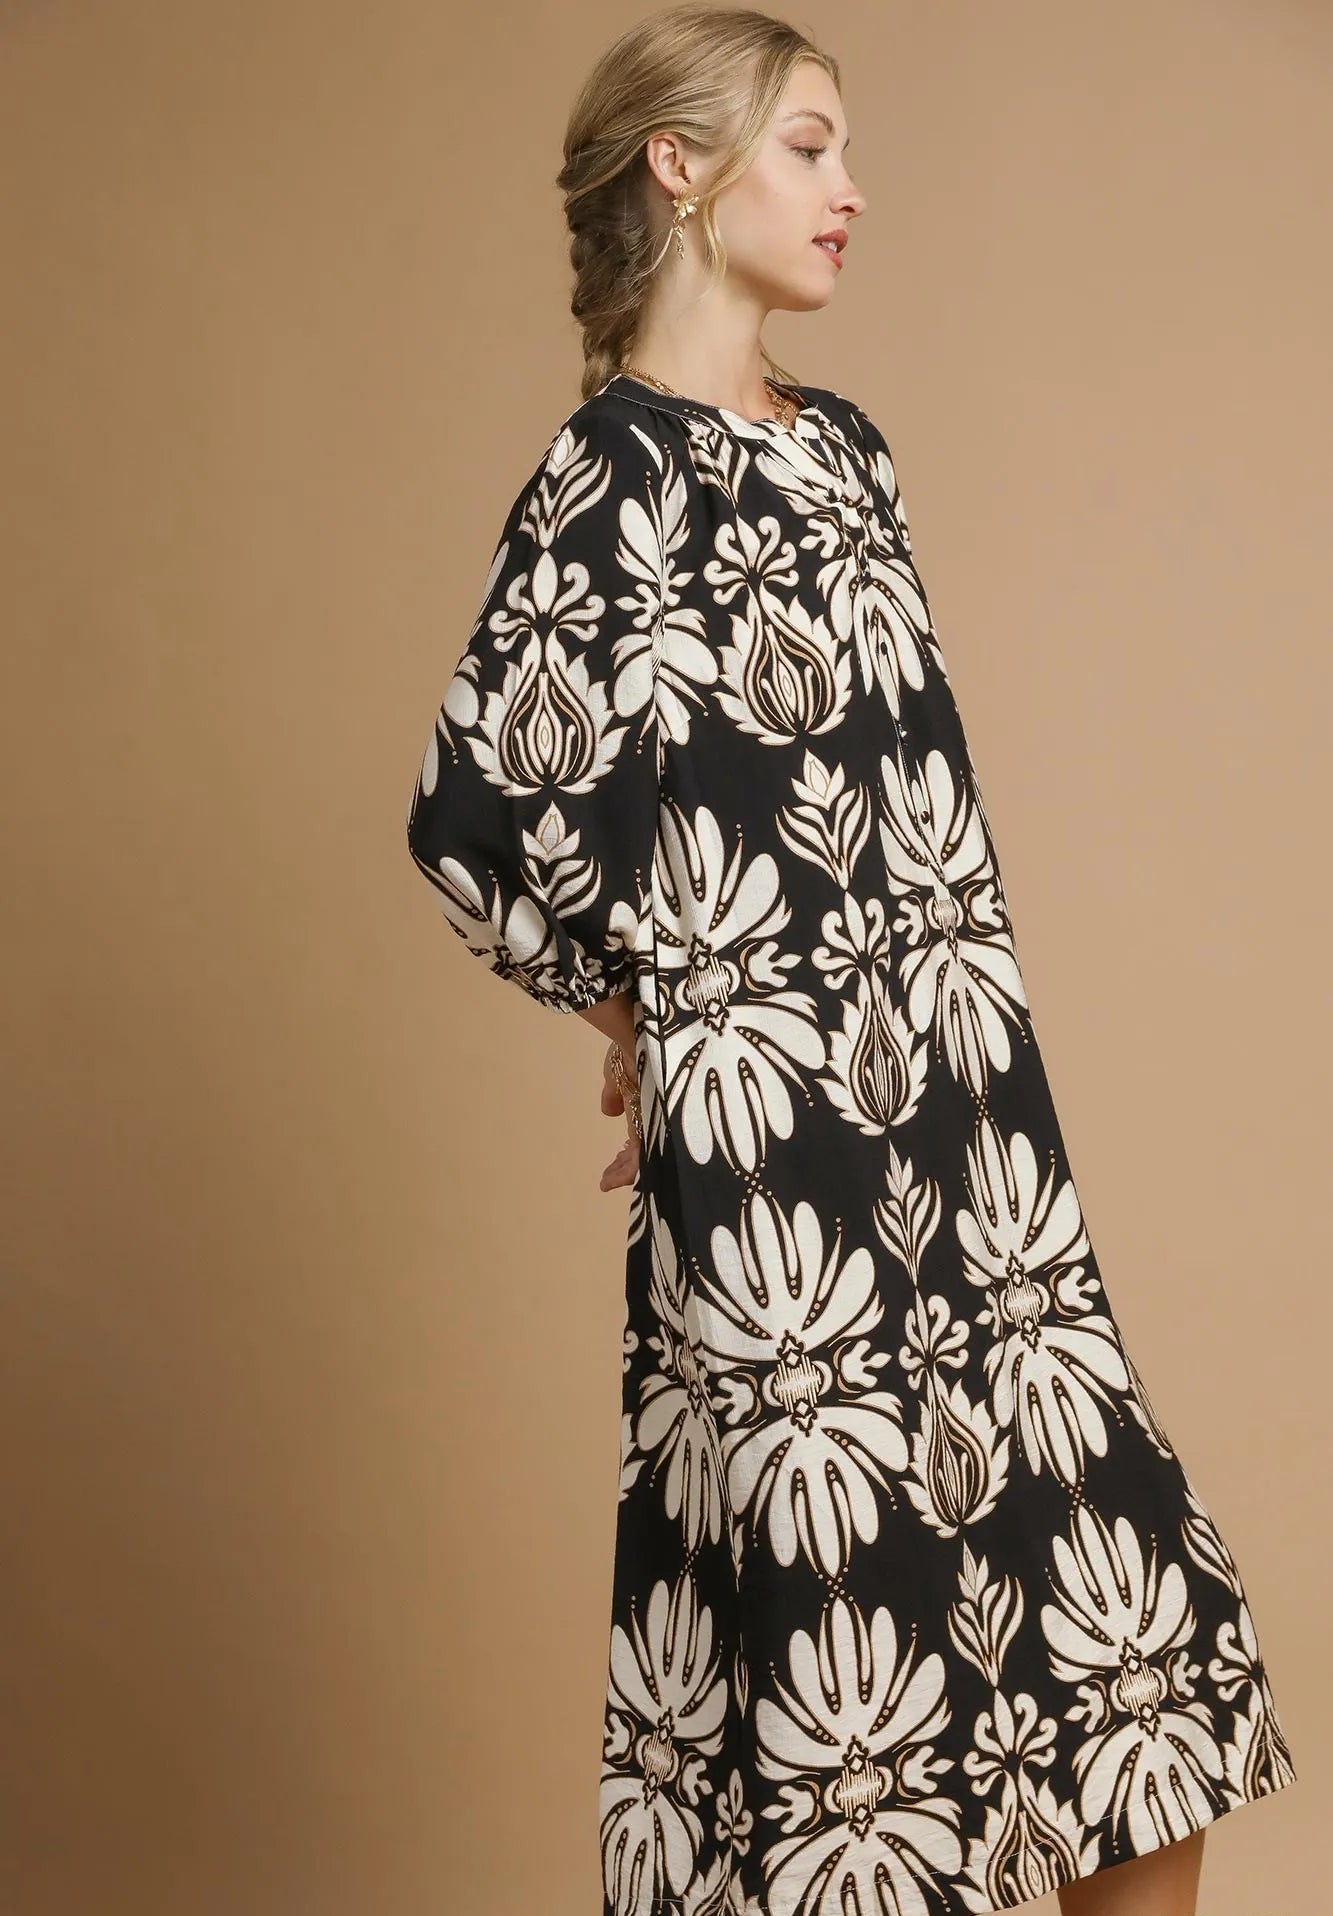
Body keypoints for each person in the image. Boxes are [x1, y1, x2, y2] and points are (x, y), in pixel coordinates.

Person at [404, 8, 1297, 1913]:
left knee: (1138, 1673)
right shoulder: (603, 487)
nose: (850, 192)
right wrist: (647, 1007)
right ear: (679, 166)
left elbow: (895, 807)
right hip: (774, 1205)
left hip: (974, 1148)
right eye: (809, 147)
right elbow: (480, 813)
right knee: (851, 1719)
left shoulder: (852, 459)